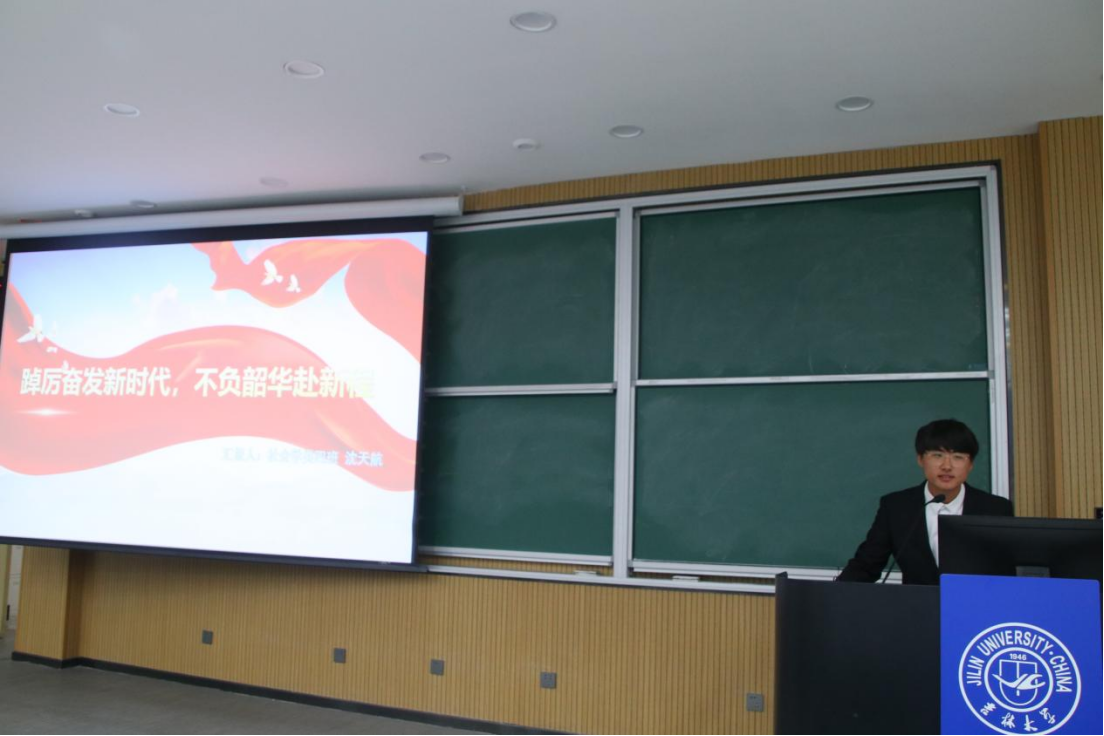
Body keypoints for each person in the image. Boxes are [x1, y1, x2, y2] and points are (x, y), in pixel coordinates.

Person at [837, 419, 1013, 585]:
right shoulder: (896, 507)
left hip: (976, 605)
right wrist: (832, 596)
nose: (947, 466)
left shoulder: (995, 509)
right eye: (937, 455)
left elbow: (1005, 574)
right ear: (920, 459)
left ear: (971, 464)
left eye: (958, 457)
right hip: (916, 604)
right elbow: (866, 565)